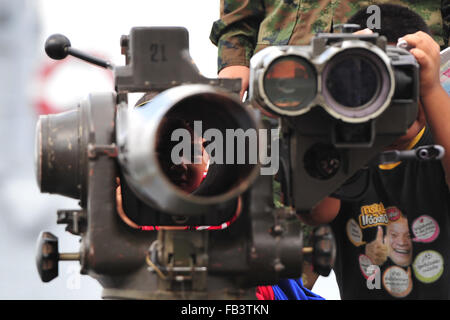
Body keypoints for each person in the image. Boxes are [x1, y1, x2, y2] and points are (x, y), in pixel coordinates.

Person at [299, 5, 450, 299]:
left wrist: (431, 89)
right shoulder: (345, 156)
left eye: (403, 78)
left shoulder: (440, 144)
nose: (392, 98)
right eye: (375, 83)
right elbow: (317, 211)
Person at [210, 0, 447, 101]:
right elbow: (238, 18)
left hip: (406, 79)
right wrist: (232, 77)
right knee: (294, 192)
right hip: (286, 86)